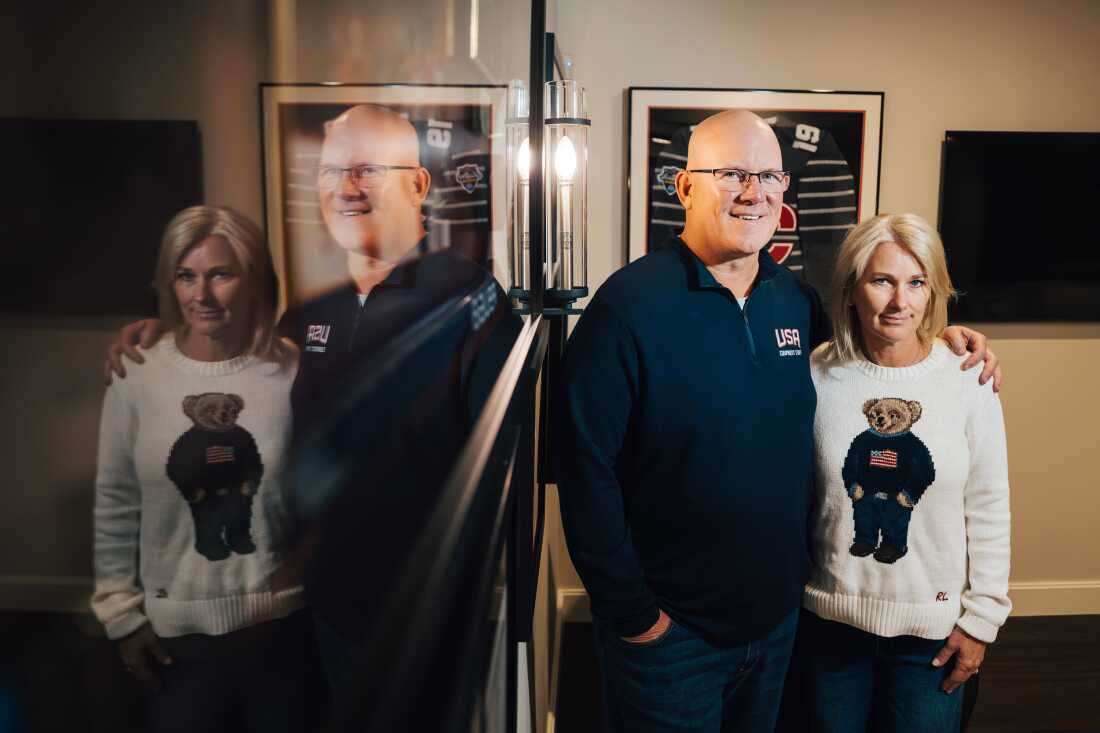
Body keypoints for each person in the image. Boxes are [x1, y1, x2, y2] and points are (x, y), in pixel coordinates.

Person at [551, 110, 1001, 733]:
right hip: (669, 636)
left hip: (779, 628)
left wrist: (945, 340)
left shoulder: (793, 301)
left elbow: (865, 362)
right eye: (731, 173)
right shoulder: (627, 307)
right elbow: (582, 469)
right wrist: (633, 614)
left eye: (767, 175)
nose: (752, 191)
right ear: (685, 187)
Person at [103, 105, 520, 698]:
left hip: (429, 617)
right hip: (314, 617)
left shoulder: (469, 297)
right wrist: (158, 332)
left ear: (419, 184)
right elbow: (235, 367)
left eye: (367, 170)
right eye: (330, 172)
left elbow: (507, 465)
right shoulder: (308, 318)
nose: (344, 188)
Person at [91, 206, 316, 733]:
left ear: (254, 278)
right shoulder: (137, 372)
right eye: (186, 275)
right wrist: (121, 615)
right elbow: (115, 500)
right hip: (174, 639)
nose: (202, 294)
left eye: (220, 274)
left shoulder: (292, 369)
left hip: (280, 630)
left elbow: (328, 489)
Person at [800, 213, 1010, 732]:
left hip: (932, 635)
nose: (900, 301)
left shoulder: (968, 378)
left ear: (934, 290)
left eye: (916, 282)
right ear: (851, 289)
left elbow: (989, 505)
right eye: (882, 281)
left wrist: (981, 621)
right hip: (831, 627)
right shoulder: (815, 374)